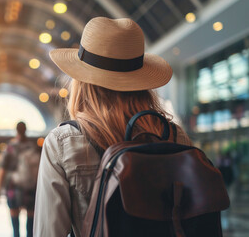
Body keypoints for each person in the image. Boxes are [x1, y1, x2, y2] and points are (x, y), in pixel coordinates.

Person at [33, 17, 193, 237]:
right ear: (142, 83)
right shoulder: (174, 136)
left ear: (82, 82)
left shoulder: (63, 142)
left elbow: (48, 232)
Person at [0, 122, 39, 237]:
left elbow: (3, 170)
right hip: (31, 187)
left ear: (16, 130)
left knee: (15, 228)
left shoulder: (10, 147)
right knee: (30, 227)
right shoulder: (33, 147)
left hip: (13, 187)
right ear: (26, 130)